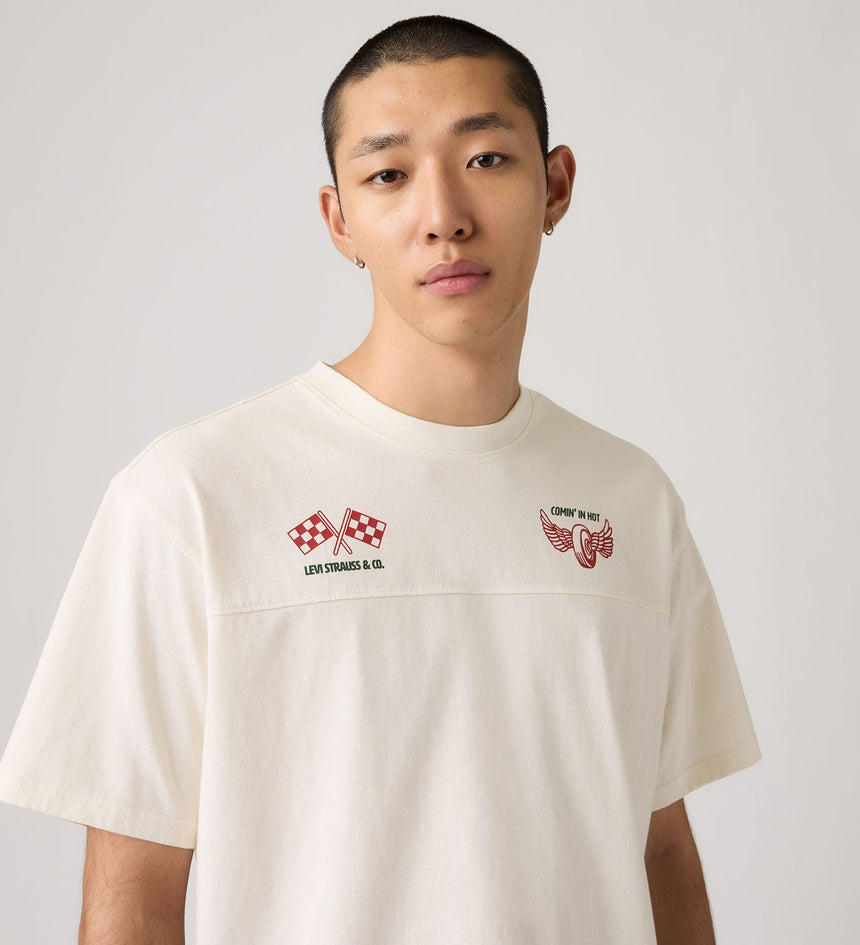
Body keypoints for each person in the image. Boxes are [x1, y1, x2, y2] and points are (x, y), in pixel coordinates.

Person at [0, 14, 761, 944]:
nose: (443, 215)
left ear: (556, 185)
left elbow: (658, 847)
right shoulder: (193, 496)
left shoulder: (631, 501)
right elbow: (131, 900)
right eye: (389, 175)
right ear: (340, 220)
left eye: (485, 158)